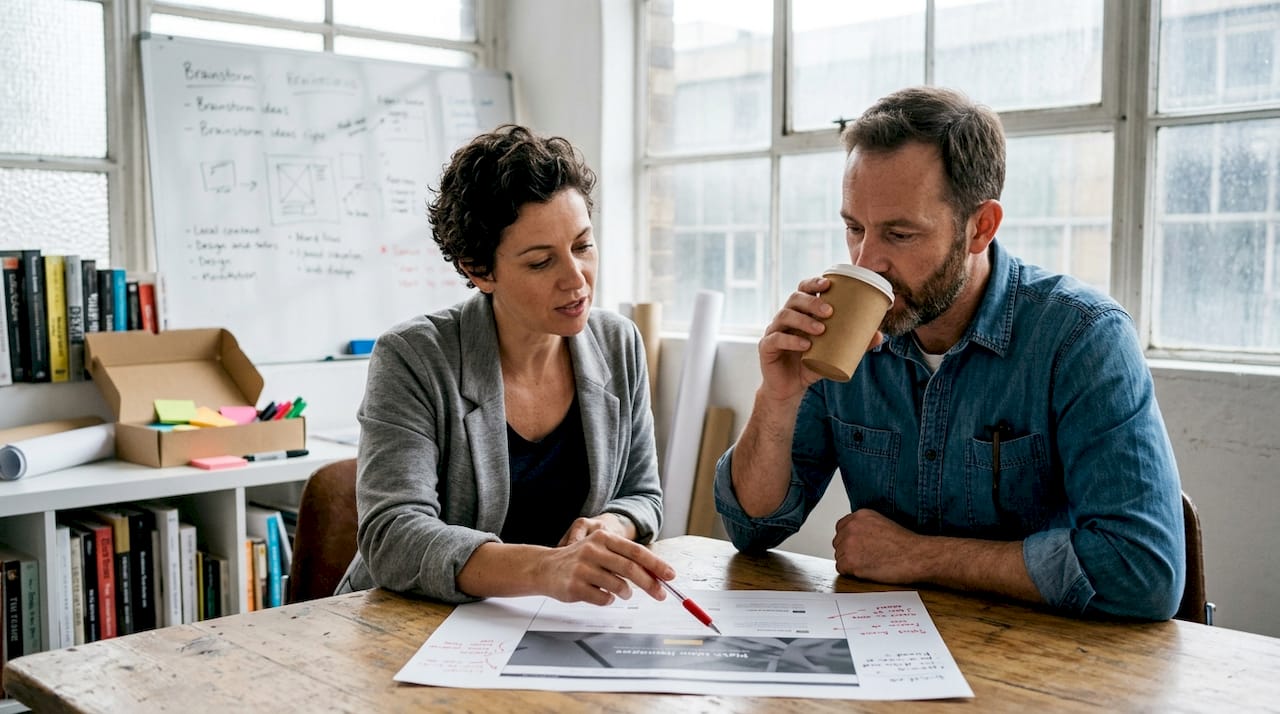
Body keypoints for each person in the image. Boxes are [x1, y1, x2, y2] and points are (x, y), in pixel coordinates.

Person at [714, 87, 1185, 621]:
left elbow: (1143, 572)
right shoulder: (843, 337)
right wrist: (777, 398)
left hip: (1047, 663)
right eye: (854, 228)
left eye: (900, 233)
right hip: (889, 653)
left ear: (980, 227)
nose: (869, 261)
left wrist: (918, 556)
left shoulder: (1083, 338)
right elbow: (753, 528)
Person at [337, 125, 674, 606]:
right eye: (541, 262)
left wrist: (610, 525)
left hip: (545, 624)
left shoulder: (618, 342)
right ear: (478, 269)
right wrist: (545, 569)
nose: (576, 279)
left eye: (582, 246)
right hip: (410, 623)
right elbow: (393, 536)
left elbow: (643, 494)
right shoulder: (412, 356)